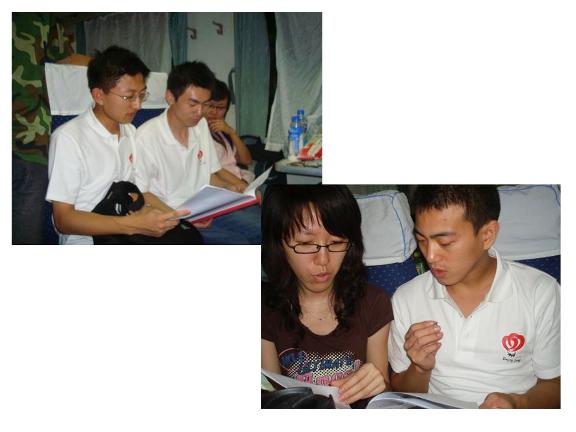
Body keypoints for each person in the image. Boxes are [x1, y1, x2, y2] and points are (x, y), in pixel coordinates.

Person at [388, 185, 560, 408]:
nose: (430, 256)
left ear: (487, 235)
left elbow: (556, 384)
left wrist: (518, 403)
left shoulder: (540, 292)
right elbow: (401, 390)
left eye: (445, 242)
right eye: (422, 240)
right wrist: (420, 368)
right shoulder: (407, 297)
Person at [261, 185, 393, 407]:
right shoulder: (264, 308)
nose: (323, 260)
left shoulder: (373, 302)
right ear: (279, 245)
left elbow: (385, 397)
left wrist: (379, 385)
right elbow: (270, 398)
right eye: (306, 244)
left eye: (336, 243)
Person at [46, 46, 188, 245]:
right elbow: (64, 220)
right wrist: (134, 225)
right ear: (99, 96)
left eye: (141, 95)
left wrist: (176, 218)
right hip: (86, 239)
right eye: (129, 97)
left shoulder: (129, 131)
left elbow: (138, 191)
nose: (138, 105)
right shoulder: (69, 138)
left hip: (125, 229)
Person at [134, 61, 260, 244]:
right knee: (239, 243)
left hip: (205, 208)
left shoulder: (199, 125)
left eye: (205, 104)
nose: (200, 112)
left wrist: (235, 190)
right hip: (171, 215)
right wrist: (180, 217)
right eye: (192, 104)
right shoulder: (146, 137)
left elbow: (209, 174)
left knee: (263, 226)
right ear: (170, 97)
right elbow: (142, 193)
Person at [206, 79, 254, 183]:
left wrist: (232, 133)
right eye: (211, 106)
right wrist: (240, 184)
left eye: (220, 108)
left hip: (236, 180)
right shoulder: (197, 133)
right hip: (223, 184)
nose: (214, 111)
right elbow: (211, 171)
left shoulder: (221, 131)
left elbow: (246, 160)